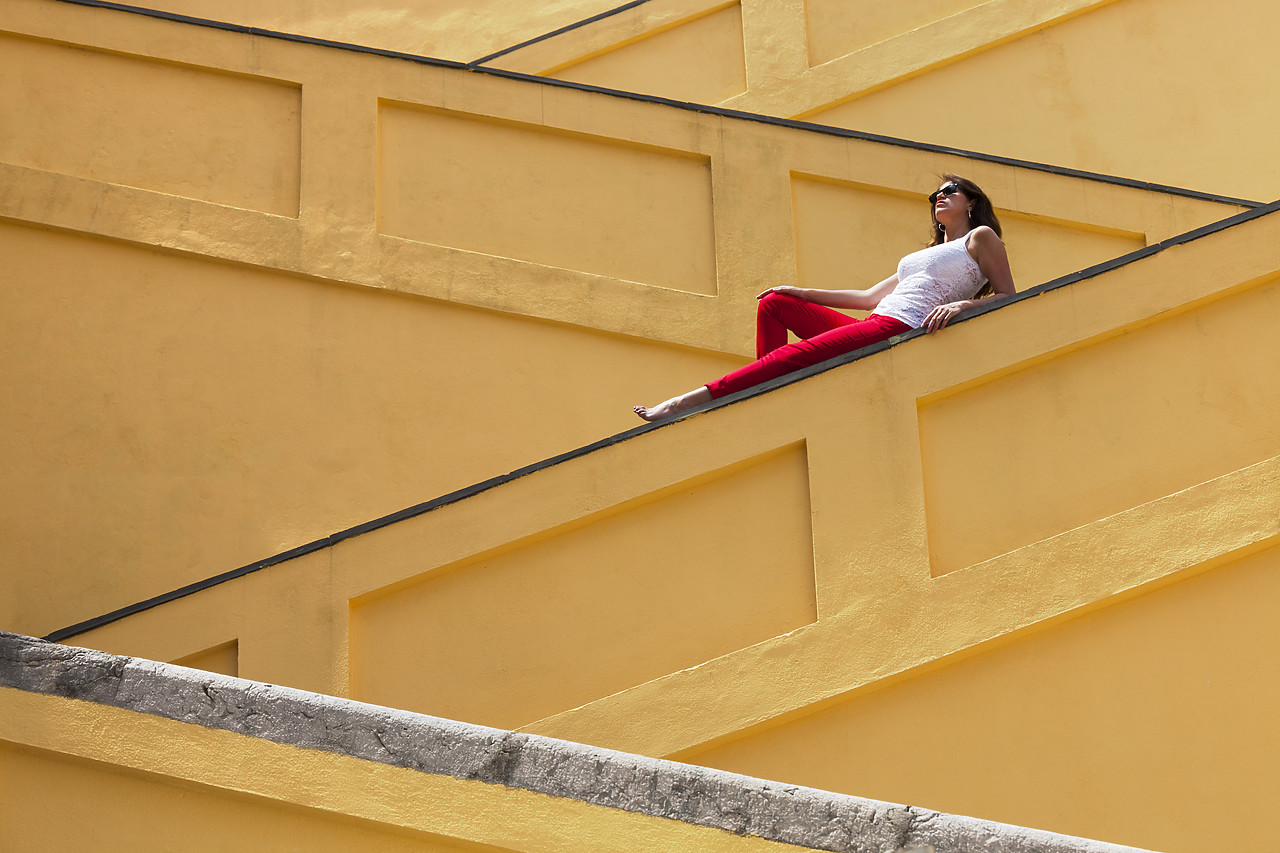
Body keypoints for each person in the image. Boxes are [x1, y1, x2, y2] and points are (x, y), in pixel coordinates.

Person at [634, 174, 1016, 421]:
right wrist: (798, 291)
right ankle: (772, 393)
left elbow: (1008, 295)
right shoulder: (923, 255)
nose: (939, 197)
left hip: (902, 326)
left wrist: (964, 304)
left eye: (950, 191)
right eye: (935, 194)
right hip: (875, 321)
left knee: (790, 356)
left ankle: (686, 402)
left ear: (971, 201)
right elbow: (868, 297)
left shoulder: (980, 238)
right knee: (774, 305)